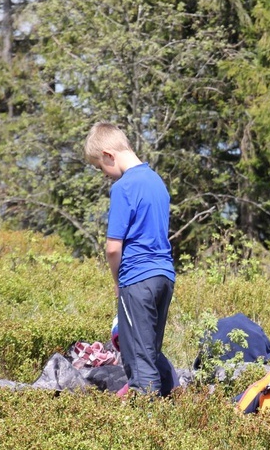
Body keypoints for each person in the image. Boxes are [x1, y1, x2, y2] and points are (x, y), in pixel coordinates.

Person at [84, 122, 177, 397]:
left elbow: (113, 248)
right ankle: (174, 406)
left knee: (139, 360)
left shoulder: (124, 187)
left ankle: (143, 428)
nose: (105, 175)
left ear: (108, 155)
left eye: (101, 167)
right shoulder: (156, 181)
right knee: (151, 352)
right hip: (164, 276)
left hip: (137, 278)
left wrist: (117, 282)